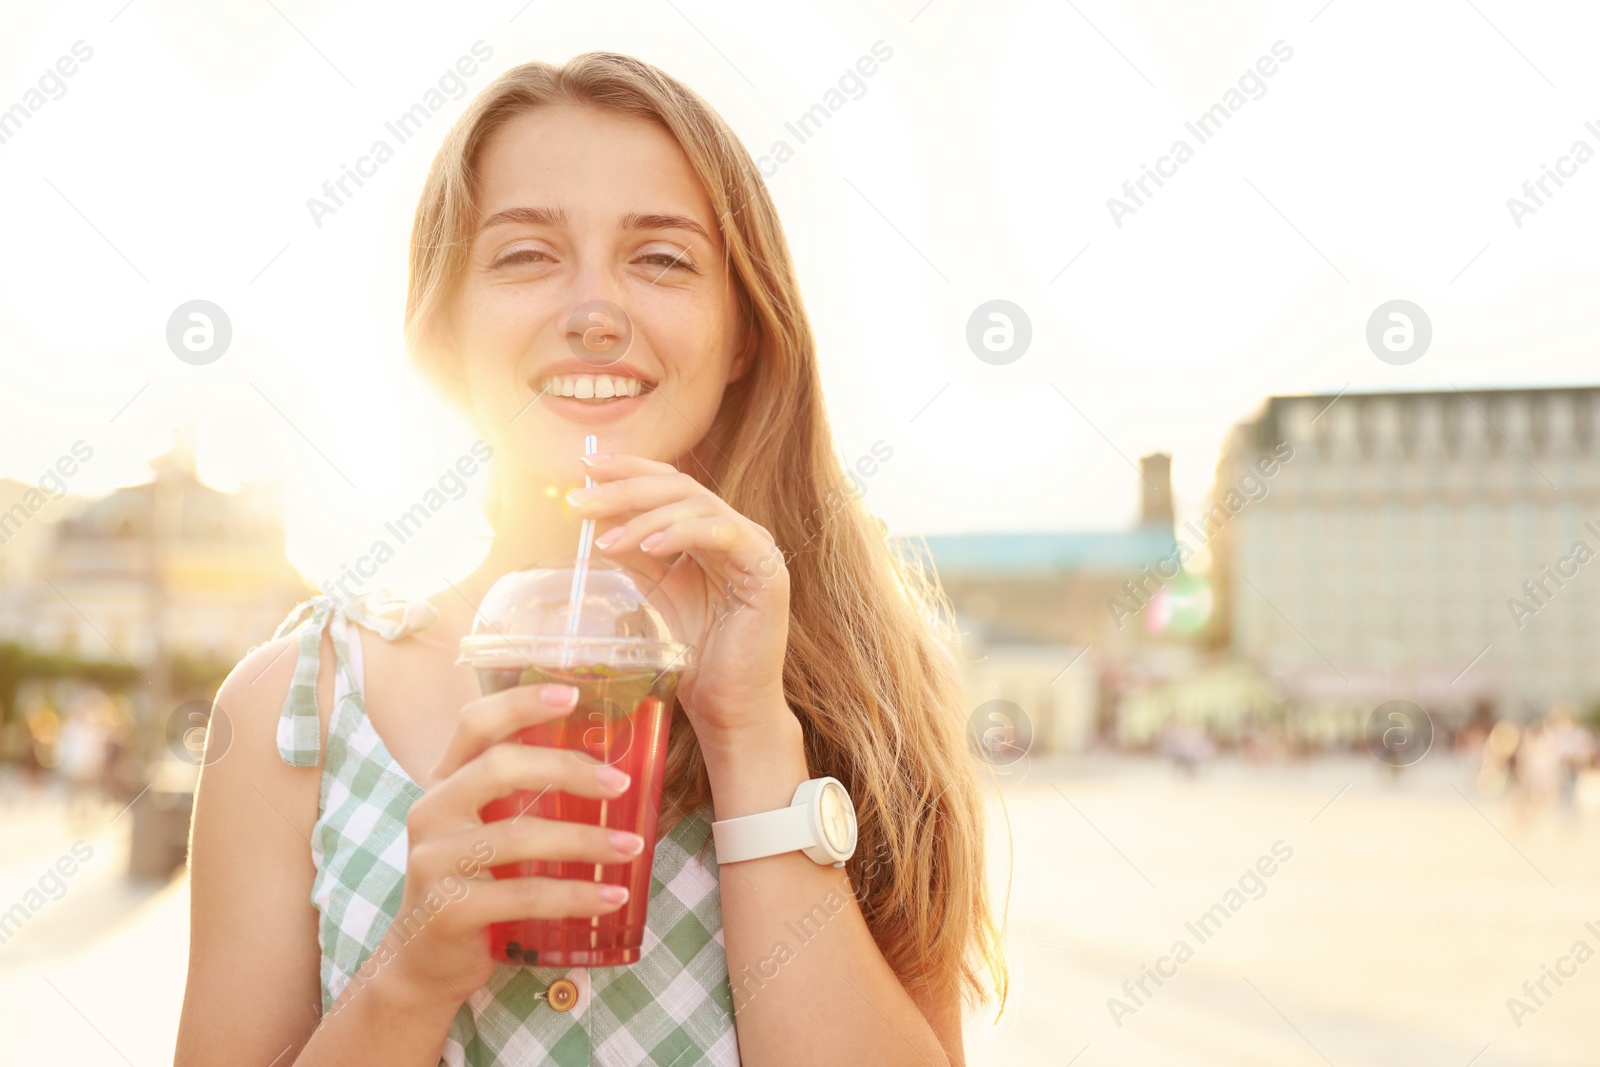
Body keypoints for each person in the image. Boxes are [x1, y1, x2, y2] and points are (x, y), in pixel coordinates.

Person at [175, 52, 1004, 1067]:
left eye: (661, 259)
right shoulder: (290, 708)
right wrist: (412, 973)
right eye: (525, 256)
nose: (595, 310)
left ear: (743, 332)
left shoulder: (857, 692)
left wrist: (748, 734)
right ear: (443, 324)